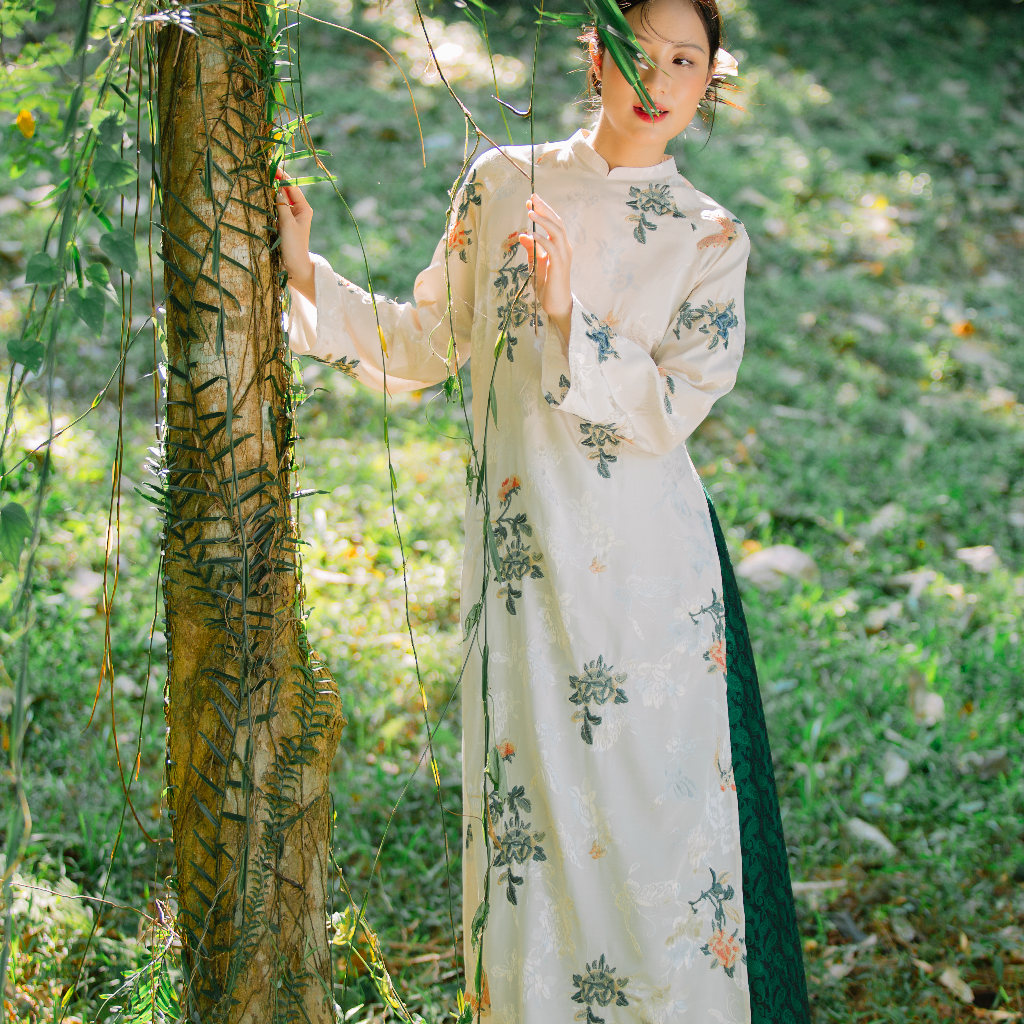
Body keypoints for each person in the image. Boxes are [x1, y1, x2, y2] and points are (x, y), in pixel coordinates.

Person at [276, 1, 810, 1021]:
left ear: (711, 79)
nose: (658, 79)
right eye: (637, 51)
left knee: (650, 834)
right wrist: (307, 274)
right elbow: (427, 342)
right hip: (520, 572)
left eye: (684, 59)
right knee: (533, 831)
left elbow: (673, 406)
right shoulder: (501, 183)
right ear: (595, 54)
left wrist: (572, 317)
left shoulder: (709, 237)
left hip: (648, 587)